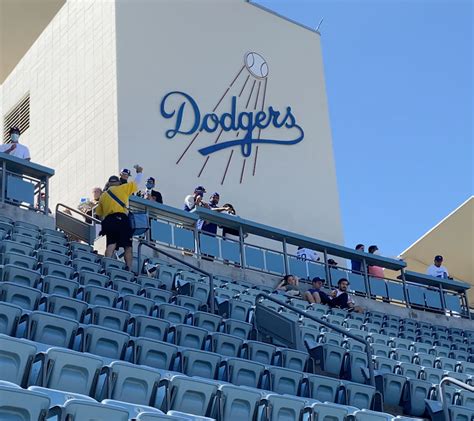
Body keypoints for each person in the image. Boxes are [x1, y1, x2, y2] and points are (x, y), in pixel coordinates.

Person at [95, 164, 143, 270]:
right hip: (122, 219)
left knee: (111, 245)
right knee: (127, 247)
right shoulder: (123, 189)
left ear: (109, 184)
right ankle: (128, 268)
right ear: (118, 183)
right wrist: (139, 172)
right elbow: (136, 183)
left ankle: (106, 266)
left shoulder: (103, 196)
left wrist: (105, 224)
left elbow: (99, 214)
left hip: (109, 220)